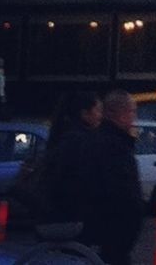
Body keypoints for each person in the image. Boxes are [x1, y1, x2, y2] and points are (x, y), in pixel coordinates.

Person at [81, 90, 144, 265]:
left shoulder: (99, 140)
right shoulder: (115, 146)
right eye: (132, 111)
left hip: (107, 229)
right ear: (120, 114)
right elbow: (121, 190)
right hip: (113, 230)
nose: (134, 117)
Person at [39, 89, 104, 229]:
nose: (101, 116)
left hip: (58, 214)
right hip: (72, 218)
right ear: (85, 114)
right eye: (98, 110)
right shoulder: (81, 141)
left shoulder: (63, 136)